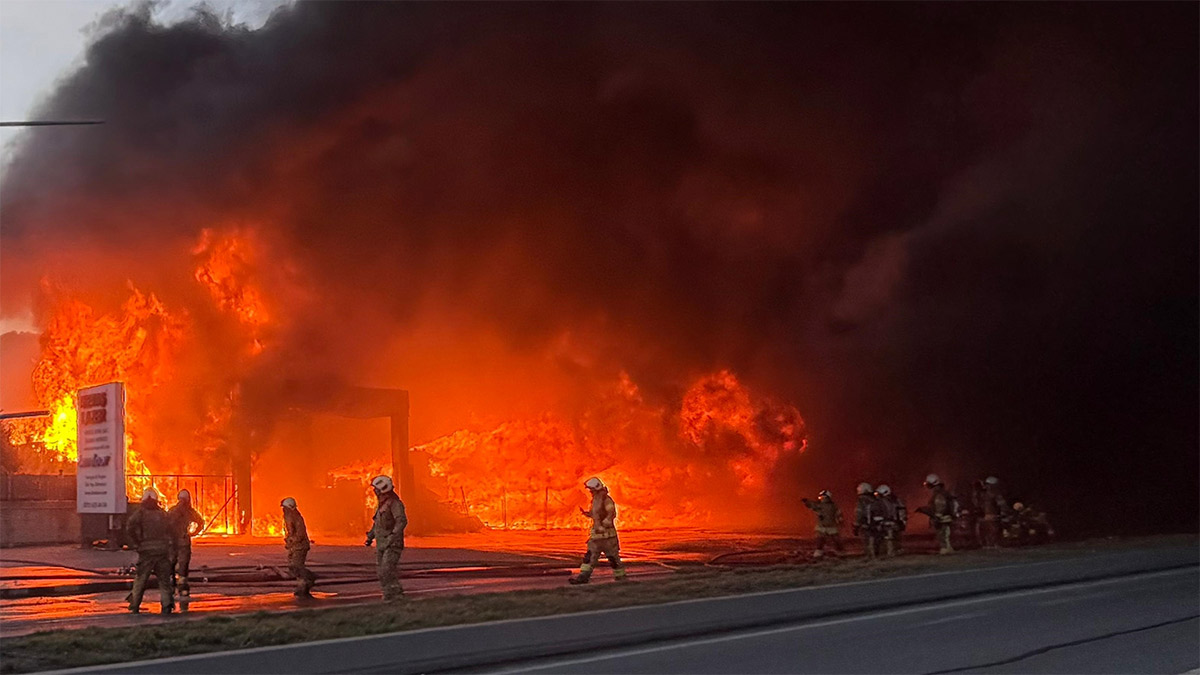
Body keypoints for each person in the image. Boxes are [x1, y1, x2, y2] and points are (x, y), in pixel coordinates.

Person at [126, 488, 175, 614]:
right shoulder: (163, 514)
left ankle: (135, 605)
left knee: (141, 579)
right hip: (162, 551)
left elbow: (129, 527)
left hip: (146, 552)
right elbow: (171, 529)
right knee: (164, 581)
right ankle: (167, 605)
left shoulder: (140, 513)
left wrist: (137, 542)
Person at [569, 477, 627, 584]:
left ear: (597, 488)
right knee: (589, 558)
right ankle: (583, 577)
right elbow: (596, 514)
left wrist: (603, 526)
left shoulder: (607, 500)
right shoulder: (595, 500)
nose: (590, 492)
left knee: (614, 559)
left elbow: (611, 515)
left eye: (591, 490)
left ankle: (621, 578)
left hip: (608, 538)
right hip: (596, 539)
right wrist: (587, 514)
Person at [365, 475, 407, 600]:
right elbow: (377, 523)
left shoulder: (395, 504)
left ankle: (396, 595)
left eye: (376, 489)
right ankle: (388, 595)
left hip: (392, 544)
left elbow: (402, 521)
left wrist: (393, 536)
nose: (374, 491)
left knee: (388, 569)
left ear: (382, 489)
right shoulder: (381, 504)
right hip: (381, 543)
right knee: (381, 572)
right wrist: (370, 536)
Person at [168, 489, 205, 611]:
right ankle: (183, 590)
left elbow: (165, 524)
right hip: (183, 542)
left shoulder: (172, 510)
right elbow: (200, 522)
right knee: (183, 567)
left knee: (171, 565)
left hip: (172, 542)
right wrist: (193, 533)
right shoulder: (189, 511)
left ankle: (171, 589)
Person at [281, 497, 317, 598]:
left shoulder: (296, 518)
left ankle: (309, 578)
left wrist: (292, 541)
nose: (283, 510)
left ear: (290, 508)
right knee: (293, 567)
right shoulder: (289, 518)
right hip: (294, 546)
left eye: (285, 508)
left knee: (296, 566)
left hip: (300, 546)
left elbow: (300, 534)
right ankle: (302, 586)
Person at [918, 474, 956, 554]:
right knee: (945, 533)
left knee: (943, 534)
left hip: (942, 518)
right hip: (945, 517)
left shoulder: (938, 494)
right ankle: (947, 548)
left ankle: (946, 548)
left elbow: (939, 505)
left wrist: (937, 516)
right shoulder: (942, 492)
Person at [802, 490, 844, 557]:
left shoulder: (832, 506)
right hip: (823, 526)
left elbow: (838, 514)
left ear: (826, 497)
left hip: (830, 526)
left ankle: (840, 552)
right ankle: (819, 552)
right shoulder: (820, 505)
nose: (820, 499)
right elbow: (812, 505)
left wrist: (840, 521)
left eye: (821, 497)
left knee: (835, 540)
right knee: (820, 540)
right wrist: (806, 502)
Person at [874, 485, 906, 557]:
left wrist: (878, 523)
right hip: (893, 523)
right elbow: (902, 512)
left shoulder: (882, 503)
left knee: (888, 540)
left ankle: (890, 553)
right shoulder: (896, 501)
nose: (877, 496)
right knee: (893, 539)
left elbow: (879, 515)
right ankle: (895, 552)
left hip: (887, 524)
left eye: (879, 494)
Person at [979, 476, 1009, 549]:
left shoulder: (996, 495)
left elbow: (1003, 506)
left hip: (994, 518)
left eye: (988, 485)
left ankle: (995, 545)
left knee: (994, 533)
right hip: (988, 518)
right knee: (988, 534)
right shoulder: (985, 495)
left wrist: (1003, 514)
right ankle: (989, 545)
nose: (986, 486)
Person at [853, 482, 882, 559]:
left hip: (865, 524)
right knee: (876, 541)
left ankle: (870, 557)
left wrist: (856, 525)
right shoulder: (876, 500)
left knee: (867, 542)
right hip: (876, 524)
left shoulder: (861, 500)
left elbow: (859, 513)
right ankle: (876, 556)